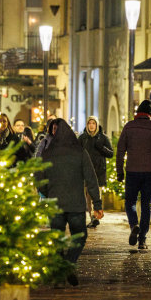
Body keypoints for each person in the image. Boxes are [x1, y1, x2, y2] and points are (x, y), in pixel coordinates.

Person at [34, 119, 103, 286]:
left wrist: (45, 192)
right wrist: (97, 204)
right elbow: (91, 179)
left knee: (57, 237)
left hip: (55, 202)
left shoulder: (48, 153)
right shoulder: (80, 152)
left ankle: (60, 270)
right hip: (76, 204)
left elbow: (38, 176)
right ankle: (70, 263)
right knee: (79, 235)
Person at [116, 100, 151, 250]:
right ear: (150, 113)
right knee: (146, 206)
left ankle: (134, 225)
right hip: (150, 173)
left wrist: (119, 171)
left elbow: (120, 151)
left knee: (130, 202)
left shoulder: (129, 127)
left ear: (138, 112)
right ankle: (142, 240)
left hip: (132, 171)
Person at [78, 116, 114, 228]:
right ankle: (93, 218)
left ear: (97, 124)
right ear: (87, 125)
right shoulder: (83, 138)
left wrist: (101, 148)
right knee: (88, 195)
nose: (92, 125)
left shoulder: (102, 138)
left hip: (99, 171)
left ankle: (96, 215)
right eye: (90, 123)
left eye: (94, 123)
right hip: (86, 171)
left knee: (96, 194)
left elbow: (111, 153)